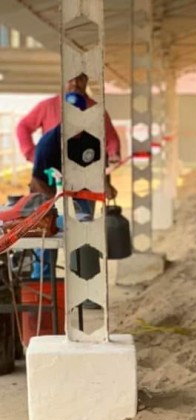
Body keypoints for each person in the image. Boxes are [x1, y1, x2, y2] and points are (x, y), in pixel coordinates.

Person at [29, 92, 117, 282]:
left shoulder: (93, 141)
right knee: (45, 241)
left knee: (85, 237)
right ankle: (40, 286)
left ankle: (87, 288)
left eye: (80, 113)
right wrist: (58, 201)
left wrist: (107, 185)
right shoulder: (49, 142)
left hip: (82, 196)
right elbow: (37, 181)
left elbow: (100, 166)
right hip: (49, 198)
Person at [16, 73, 121, 165]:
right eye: (70, 79)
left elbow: (110, 136)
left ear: (86, 80)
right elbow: (23, 126)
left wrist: (113, 153)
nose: (75, 83)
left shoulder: (97, 110)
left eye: (80, 79)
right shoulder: (48, 106)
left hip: (89, 167)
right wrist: (31, 153)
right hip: (54, 169)